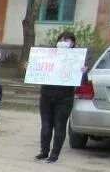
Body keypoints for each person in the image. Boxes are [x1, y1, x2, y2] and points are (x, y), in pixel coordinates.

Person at [35, 30, 81, 163]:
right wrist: (32, 67)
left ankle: (54, 154)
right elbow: (40, 69)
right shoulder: (48, 56)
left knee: (59, 126)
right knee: (46, 125)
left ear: (72, 43)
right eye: (61, 40)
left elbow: (81, 80)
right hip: (47, 95)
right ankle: (44, 151)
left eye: (67, 40)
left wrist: (82, 71)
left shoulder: (77, 58)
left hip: (65, 97)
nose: (63, 43)